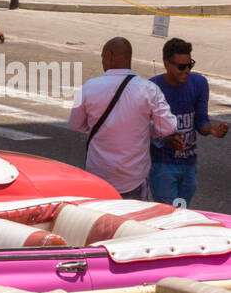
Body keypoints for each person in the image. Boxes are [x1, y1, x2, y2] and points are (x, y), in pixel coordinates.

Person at [69, 37, 182, 200]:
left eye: (102, 56)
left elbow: (75, 125)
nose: (102, 61)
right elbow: (168, 128)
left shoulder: (89, 87)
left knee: (102, 222)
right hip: (133, 179)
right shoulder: (149, 89)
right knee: (131, 222)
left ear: (110, 55)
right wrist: (147, 128)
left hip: (99, 176)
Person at [148, 37, 227, 206]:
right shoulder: (152, 88)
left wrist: (212, 129)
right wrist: (165, 140)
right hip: (163, 165)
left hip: (189, 164)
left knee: (182, 214)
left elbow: (201, 122)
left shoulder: (199, 84)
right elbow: (144, 128)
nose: (187, 71)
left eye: (189, 65)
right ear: (166, 64)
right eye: (181, 67)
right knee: (170, 216)